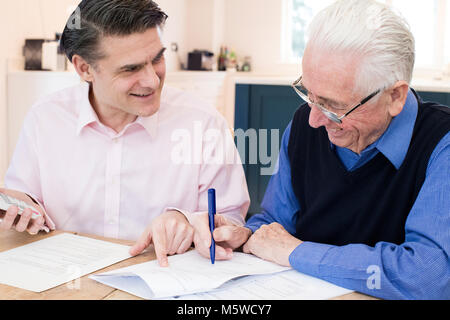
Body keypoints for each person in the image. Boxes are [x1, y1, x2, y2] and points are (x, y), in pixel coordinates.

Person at [214, 0, 450, 299]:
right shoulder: (304, 125)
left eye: (334, 106)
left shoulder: (442, 145)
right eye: (308, 95)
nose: (314, 119)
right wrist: (248, 235)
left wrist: (298, 252)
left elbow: (428, 277)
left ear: (394, 96)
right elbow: (274, 226)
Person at [0, 0, 249, 267]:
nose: (153, 80)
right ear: (84, 68)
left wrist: (189, 221)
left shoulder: (204, 124)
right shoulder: (45, 118)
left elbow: (232, 224)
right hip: (64, 283)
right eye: (131, 69)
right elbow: (22, 197)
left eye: (157, 58)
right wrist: (20, 207)